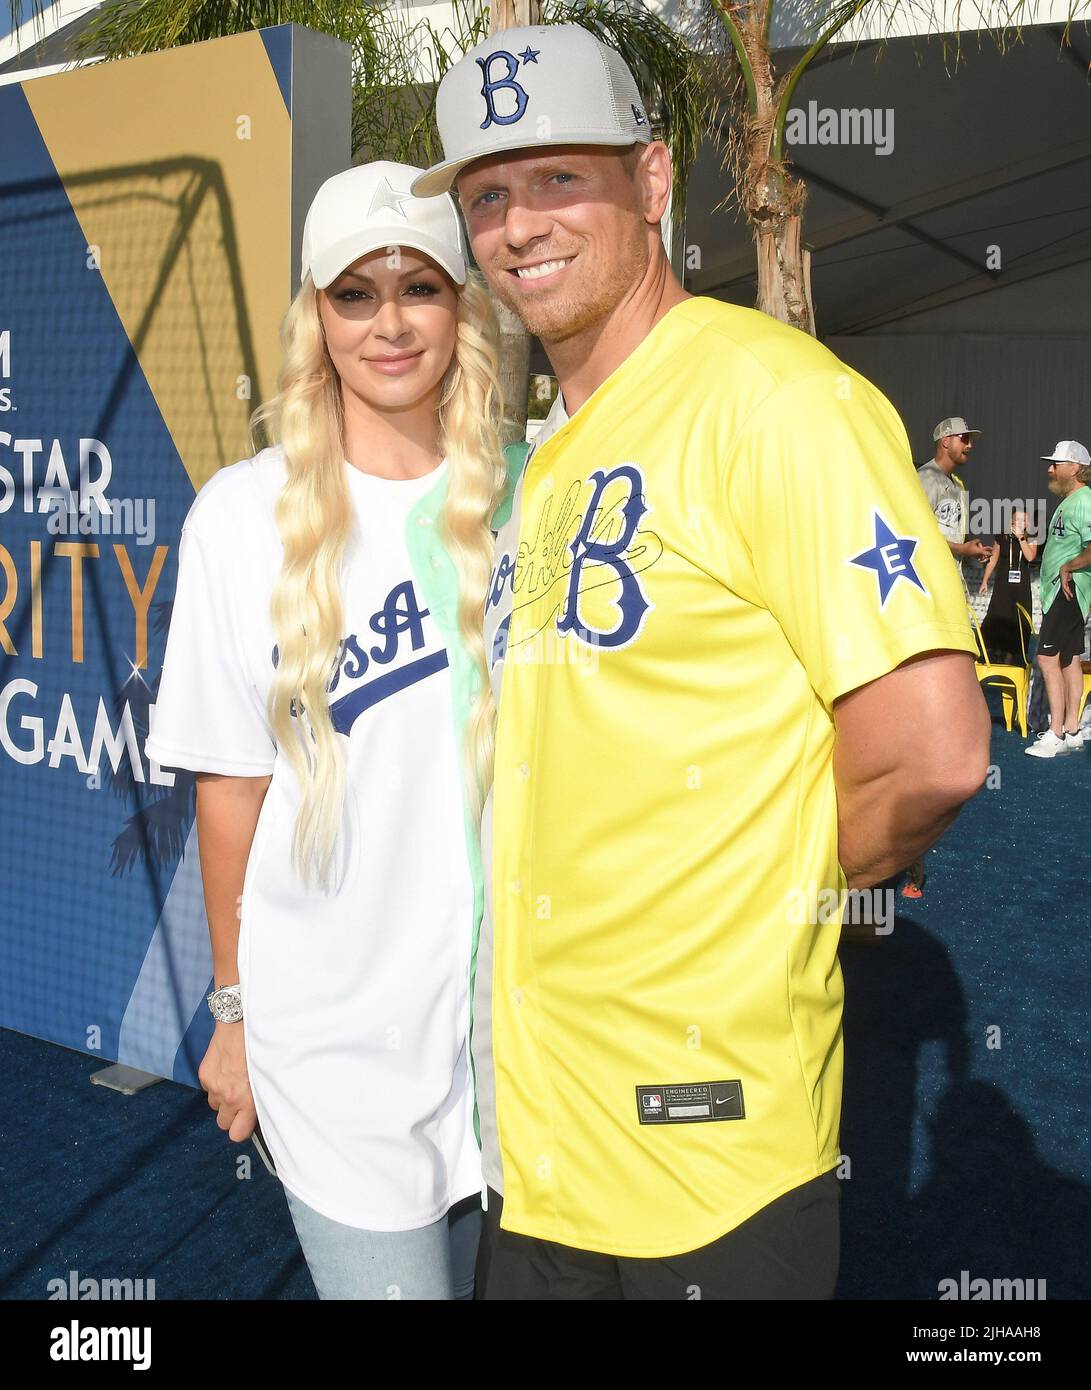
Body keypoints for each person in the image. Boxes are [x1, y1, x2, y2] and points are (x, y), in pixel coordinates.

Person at [411, 25, 992, 1299]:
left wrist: (761, 885)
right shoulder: (551, 446)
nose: (517, 225)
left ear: (654, 180)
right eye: (487, 195)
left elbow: (936, 751)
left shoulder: (773, 398)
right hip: (546, 1149)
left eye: (559, 178)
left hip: (706, 1161)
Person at [144, 161, 515, 1299]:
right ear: (315, 316)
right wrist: (233, 1014)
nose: (391, 323)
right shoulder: (240, 516)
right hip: (334, 1043)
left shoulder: (528, 495)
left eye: (421, 288)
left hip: (513, 1036)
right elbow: (229, 790)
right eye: (355, 293)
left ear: (463, 306)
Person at [1025, 440, 1091, 758]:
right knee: (1069, 658)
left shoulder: (1084, 501)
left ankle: (1056, 733)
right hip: (1064, 591)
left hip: (1070, 590)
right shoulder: (1068, 502)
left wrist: (1069, 566)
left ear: (1075, 468)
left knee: (1046, 658)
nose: (1049, 469)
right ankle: (1073, 729)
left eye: (1056, 463)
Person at [916, 417, 992, 591]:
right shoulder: (926, 478)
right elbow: (917, 533)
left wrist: (973, 548)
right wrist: (962, 549)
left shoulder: (958, 485)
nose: (970, 445)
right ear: (945, 441)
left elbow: (951, 532)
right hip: (927, 581)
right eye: (964, 439)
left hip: (950, 578)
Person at [979, 508, 1036, 666]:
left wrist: (1021, 539)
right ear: (1011, 521)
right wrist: (985, 580)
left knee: (1017, 619)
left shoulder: (1031, 537)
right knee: (998, 614)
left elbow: (1030, 556)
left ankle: (1012, 657)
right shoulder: (1002, 535)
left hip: (1020, 587)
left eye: (1023, 521)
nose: (1019, 523)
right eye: (1016, 520)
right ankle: (993, 653)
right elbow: (993, 559)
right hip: (1003, 583)